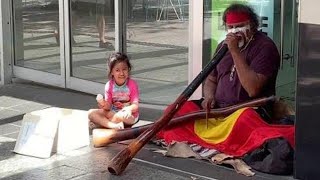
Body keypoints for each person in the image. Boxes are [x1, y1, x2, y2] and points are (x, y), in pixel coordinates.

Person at [200, 3, 280, 117]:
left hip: (249, 112)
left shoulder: (265, 47)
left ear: (252, 26)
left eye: (240, 26)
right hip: (219, 110)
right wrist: (209, 97)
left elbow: (253, 89)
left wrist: (235, 51)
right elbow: (211, 79)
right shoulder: (223, 46)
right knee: (181, 114)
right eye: (230, 27)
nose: (235, 31)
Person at [88, 52, 139, 129]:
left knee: (121, 115)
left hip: (128, 115)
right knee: (90, 113)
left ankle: (103, 124)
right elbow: (108, 107)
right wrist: (103, 104)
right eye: (117, 70)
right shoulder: (109, 85)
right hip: (113, 112)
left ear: (128, 69)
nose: (121, 73)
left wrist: (128, 109)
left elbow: (135, 105)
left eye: (124, 69)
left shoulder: (132, 84)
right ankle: (114, 125)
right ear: (112, 72)